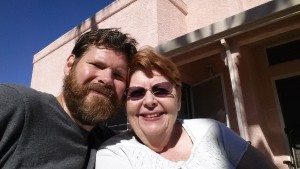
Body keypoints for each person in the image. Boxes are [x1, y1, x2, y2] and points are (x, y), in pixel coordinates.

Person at [95, 47, 278, 169]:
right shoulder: (114, 154)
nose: (149, 101)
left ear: (179, 98)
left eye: (161, 90)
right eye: (136, 93)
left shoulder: (212, 131)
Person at [0, 28, 137, 169]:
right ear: (70, 64)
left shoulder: (113, 143)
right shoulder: (15, 104)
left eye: (118, 75)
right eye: (97, 65)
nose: (107, 79)